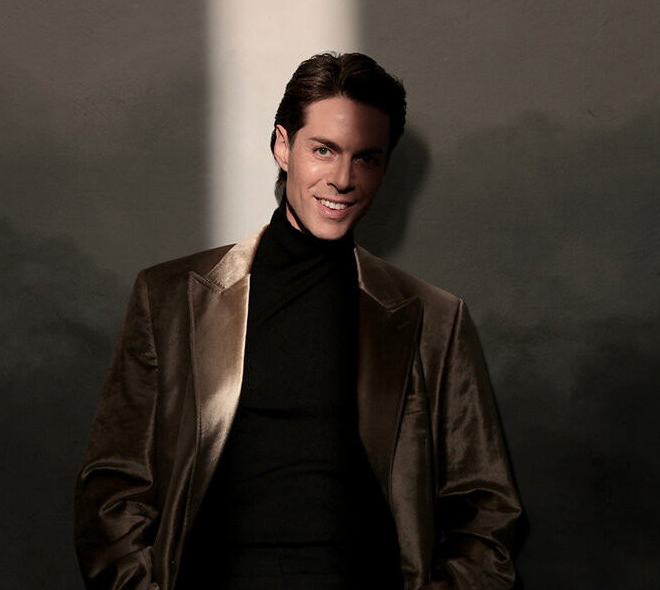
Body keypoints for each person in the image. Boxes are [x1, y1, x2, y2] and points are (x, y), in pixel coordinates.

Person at [75, 52, 522, 590]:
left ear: (385, 167)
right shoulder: (170, 298)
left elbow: (487, 511)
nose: (342, 179)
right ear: (283, 147)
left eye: (366, 158)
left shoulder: (433, 319)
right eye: (324, 150)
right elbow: (113, 488)